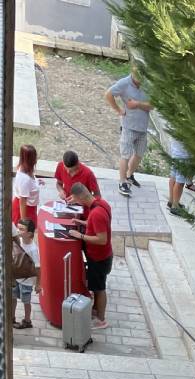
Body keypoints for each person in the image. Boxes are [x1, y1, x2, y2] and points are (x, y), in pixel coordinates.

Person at [67, 182, 113, 330]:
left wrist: (80, 235)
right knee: (97, 287)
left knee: (99, 289)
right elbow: (93, 224)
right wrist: (80, 222)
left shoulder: (96, 213)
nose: (75, 202)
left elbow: (102, 239)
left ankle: (101, 320)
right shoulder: (100, 203)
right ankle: (95, 310)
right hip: (101, 256)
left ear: (80, 197)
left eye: (75, 199)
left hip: (99, 258)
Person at [105, 65, 153, 197]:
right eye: (138, 78)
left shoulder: (147, 84)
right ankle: (122, 182)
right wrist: (119, 110)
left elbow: (152, 105)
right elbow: (108, 94)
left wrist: (137, 104)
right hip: (128, 126)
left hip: (142, 127)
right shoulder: (124, 83)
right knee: (125, 154)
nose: (140, 81)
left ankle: (130, 175)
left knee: (139, 153)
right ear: (132, 73)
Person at [11, 217, 41, 330]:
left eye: (21, 229)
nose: (18, 231)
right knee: (13, 298)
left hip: (27, 281)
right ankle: (12, 318)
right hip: (16, 278)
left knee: (26, 301)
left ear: (29, 234)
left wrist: (38, 284)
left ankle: (27, 320)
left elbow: (38, 267)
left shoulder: (33, 249)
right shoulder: (18, 242)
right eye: (18, 228)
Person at [12, 144, 40, 225]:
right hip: (25, 210)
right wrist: (23, 221)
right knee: (26, 234)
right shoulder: (24, 179)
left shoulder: (24, 168)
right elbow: (22, 201)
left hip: (29, 207)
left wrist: (36, 182)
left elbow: (30, 184)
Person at [167, 139, 191, 217]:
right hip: (183, 156)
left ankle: (171, 201)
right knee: (180, 182)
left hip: (176, 154)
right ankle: (175, 206)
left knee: (173, 177)